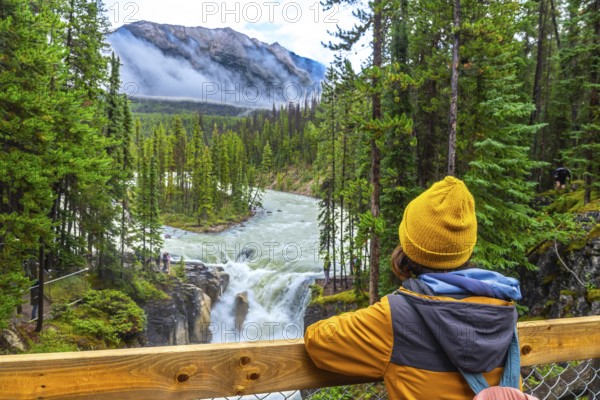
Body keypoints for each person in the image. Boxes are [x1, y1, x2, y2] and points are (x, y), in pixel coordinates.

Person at [304, 176, 523, 400]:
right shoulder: (503, 305)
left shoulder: (395, 316)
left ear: (410, 246)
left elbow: (317, 341)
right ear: (466, 248)